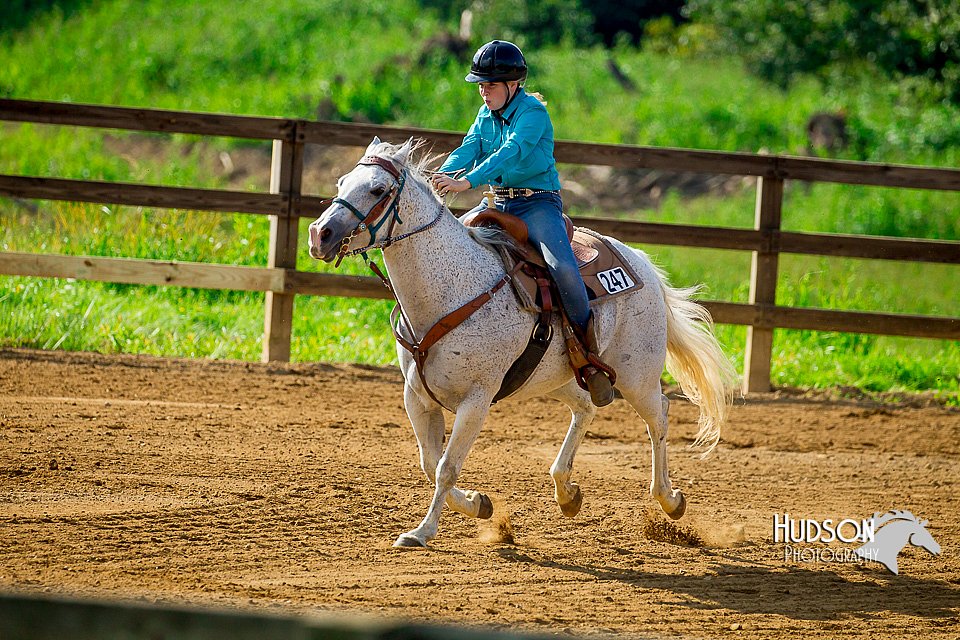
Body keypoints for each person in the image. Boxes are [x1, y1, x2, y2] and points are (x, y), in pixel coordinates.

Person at [431, 40, 615, 406]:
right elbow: (469, 147)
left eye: (491, 85)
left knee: (563, 269)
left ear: (513, 85)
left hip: (538, 207)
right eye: (481, 85)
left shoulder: (533, 114)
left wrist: (466, 183)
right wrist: (439, 174)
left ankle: (587, 356)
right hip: (499, 204)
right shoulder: (486, 115)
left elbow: (509, 152)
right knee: (451, 248)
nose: (484, 92)